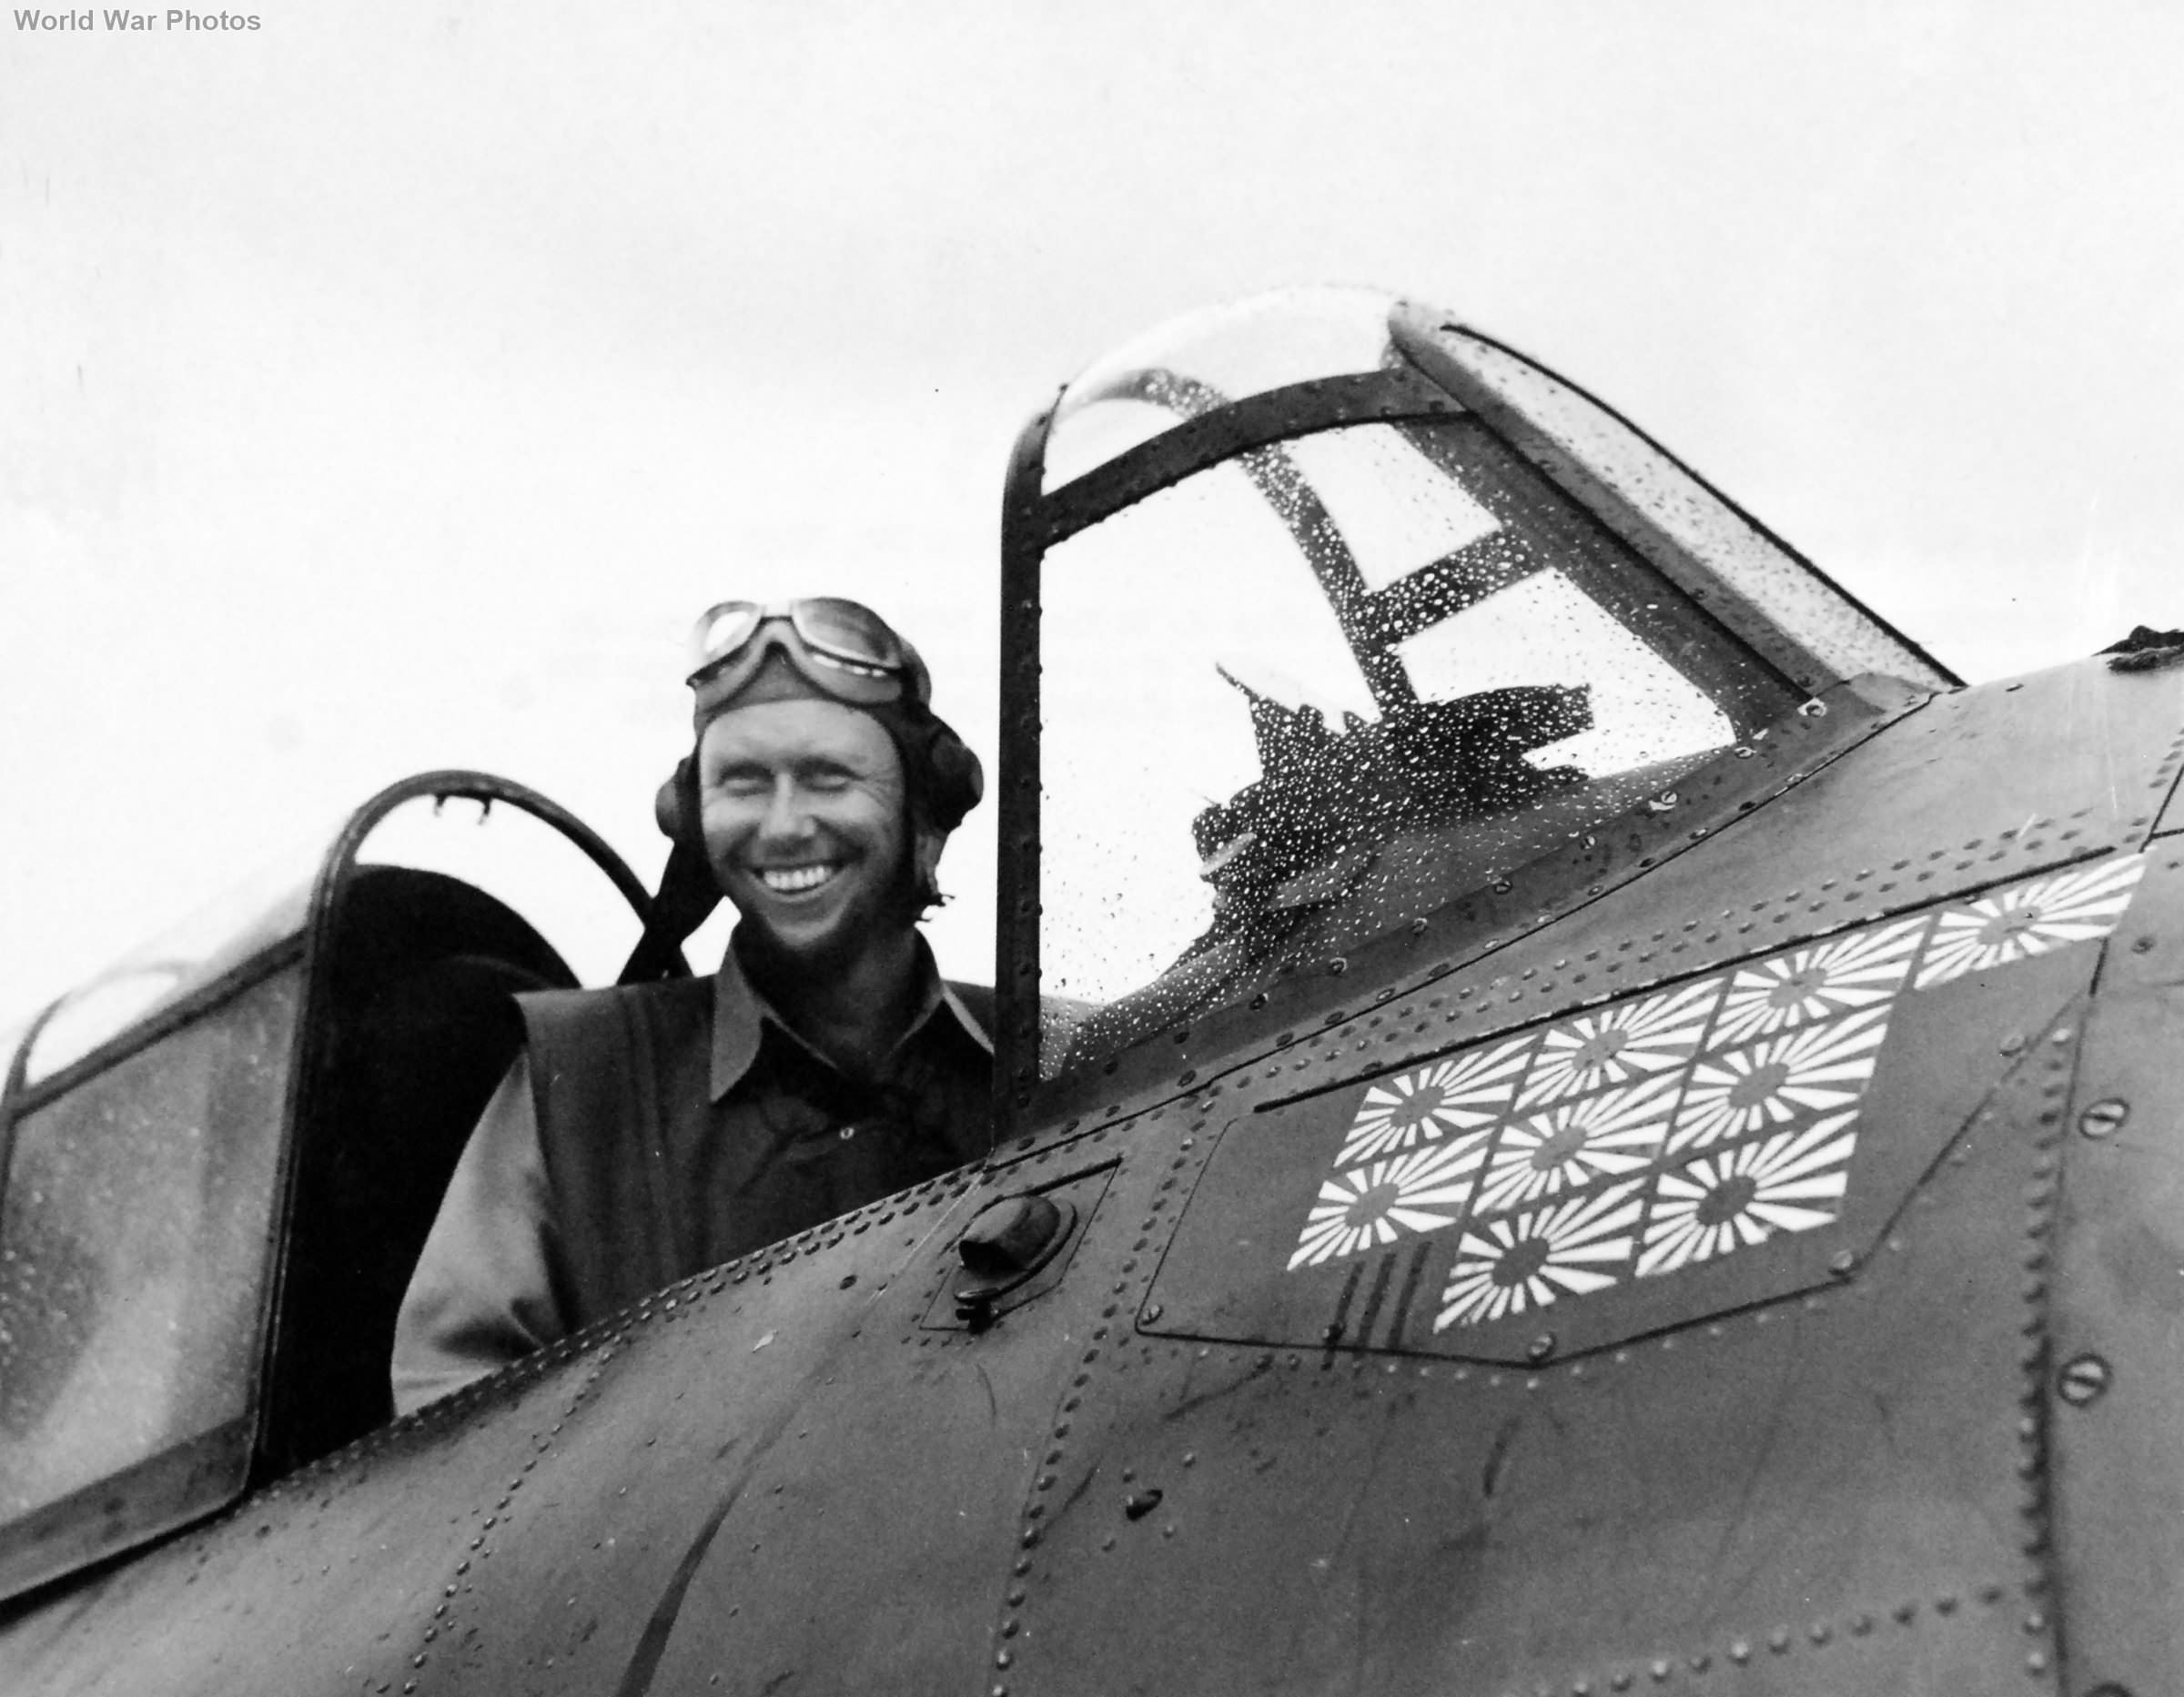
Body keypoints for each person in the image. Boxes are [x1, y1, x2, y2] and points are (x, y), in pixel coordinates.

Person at [390, 598, 992, 1413]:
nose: (784, 825)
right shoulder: (580, 1088)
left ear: (927, 808)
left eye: (828, 777)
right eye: (743, 783)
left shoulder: (1049, 1058)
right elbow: (451, 1412)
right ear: (693, 818)